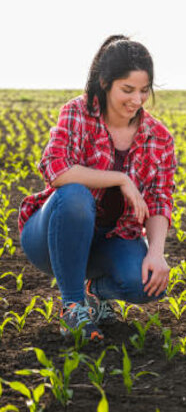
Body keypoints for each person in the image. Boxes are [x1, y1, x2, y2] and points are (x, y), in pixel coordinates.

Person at [18, 35, 177, 340]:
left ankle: (95, 290)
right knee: (75, 194)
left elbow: (159, 200)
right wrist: (120, 179)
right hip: (52, 236)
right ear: (105, 83)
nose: (137, 99)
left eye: (144, 91)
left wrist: (156, 253)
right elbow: (57, 169)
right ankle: (74, 307)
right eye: (127, 90)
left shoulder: (159, 137)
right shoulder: (77, 113)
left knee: (146, 284)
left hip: (111, 238)